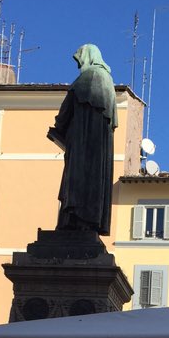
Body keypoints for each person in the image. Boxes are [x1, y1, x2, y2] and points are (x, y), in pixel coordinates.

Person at [47, 43, 117, 236]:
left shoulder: (86, 78)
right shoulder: (108, 82)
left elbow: (65, 111)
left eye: (81, 60)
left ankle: (74, 220)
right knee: (93, 181)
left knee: (76, 182)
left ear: (88, 58)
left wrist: (59, 127)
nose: (80, 66)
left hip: (81, 144)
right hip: (97, 151)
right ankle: (89, 221)